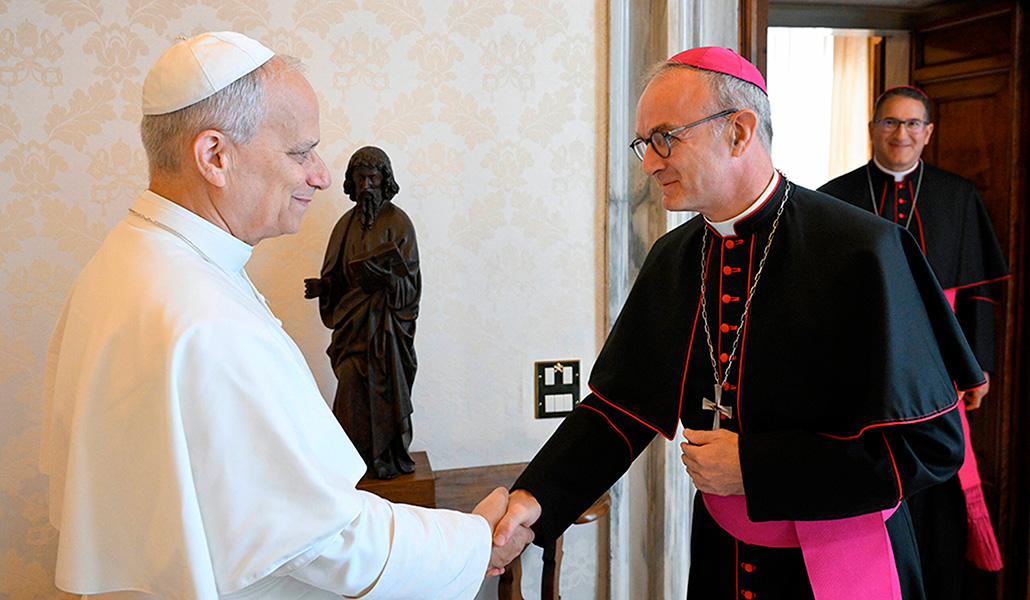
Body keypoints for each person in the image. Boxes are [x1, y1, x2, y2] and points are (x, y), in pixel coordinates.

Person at [39, 31, 530, 600]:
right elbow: (323, 542)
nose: (322, 176)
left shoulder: (122, 262)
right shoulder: (206, 319)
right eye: (301, 152)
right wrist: (474, 542)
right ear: (215, 156)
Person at [492, 47, 985, 600]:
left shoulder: (863, 251)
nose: (649, 162)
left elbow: (931, 446)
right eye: (643, 144)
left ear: (739, 131)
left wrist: (756, 468)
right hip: (722, 559)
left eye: (664, 138)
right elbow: (620, 409)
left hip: (843, 560)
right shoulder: (674, 257)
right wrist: (529, 502)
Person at [819, 86, 1009, 598]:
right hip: (863, 368)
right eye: (890, 123)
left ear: (928, 132)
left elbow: (977, 293)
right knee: (872, 475)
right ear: (873, 128)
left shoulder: (958, 195)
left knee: (936, 484)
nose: (901, 134)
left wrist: (979, 367)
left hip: (940, 368)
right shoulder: (834, 198)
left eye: (912, 124)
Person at [305, 146, 420, 480]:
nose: (367, 185)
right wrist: (324, 287)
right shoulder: (344, 226)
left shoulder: (399, 224)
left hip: (386, 335)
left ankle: (388, 456)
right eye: (360, 179)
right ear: (351, 184)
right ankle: (352, 462)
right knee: (351, 387)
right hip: (352, 332)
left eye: (373, 177)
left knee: (385, 393)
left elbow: (410, 288)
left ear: (385, 180)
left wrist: (385, 279)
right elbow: (338, 276)